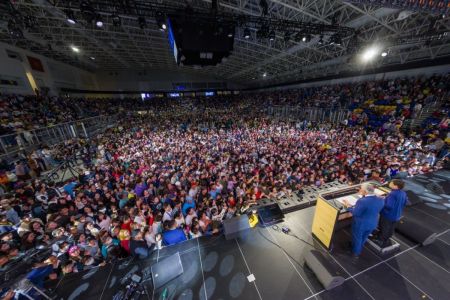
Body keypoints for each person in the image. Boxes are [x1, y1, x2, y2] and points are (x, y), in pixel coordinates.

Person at [343, 183, 384, 258]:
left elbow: (355, 213)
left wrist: (348, 205)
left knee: (357, 238)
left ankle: (355, 253)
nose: (359, 189)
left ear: (365, 191)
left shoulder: (362, 201)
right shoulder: (380, 199)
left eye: (361, 188)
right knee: (363, 238)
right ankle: (357, 248)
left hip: (361, 224)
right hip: (373, 223)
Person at [375, 179, 408, 247]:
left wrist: (382, 200)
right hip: (397, 214)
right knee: (391, 228)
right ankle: (386, 238)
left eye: (391, 183)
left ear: (396, 186)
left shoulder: (393, 194)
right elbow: (406, 202)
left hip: (388, 215)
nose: (390, 183)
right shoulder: (403, 193)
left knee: (384, 227)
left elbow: (388, 206)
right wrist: (386, 198)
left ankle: (381, 240)